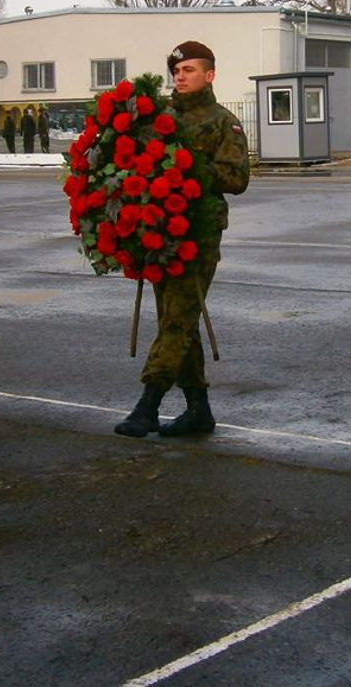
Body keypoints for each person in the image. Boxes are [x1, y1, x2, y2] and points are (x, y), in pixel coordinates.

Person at [114, 40, 250, 438]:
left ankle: (148, 405)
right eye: (177, 70)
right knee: (179, 320)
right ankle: (198, 409)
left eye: (189, 69)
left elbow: (237, 178)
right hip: (158, 231)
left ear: (209, 75)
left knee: (177, 319)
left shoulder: (224, 122)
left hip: (198, 235)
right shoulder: (160, 119)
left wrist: (191, 165)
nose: (180, 76)